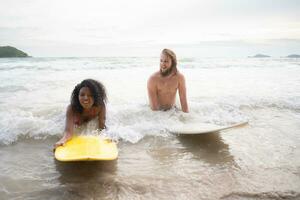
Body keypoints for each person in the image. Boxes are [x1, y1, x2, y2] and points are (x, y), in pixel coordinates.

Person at [54, 79, 107, 149]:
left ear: (95, 97)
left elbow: (102, 127)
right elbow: (68, 132)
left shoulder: (100, 106)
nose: (85, 98)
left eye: (90, 95)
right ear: (77, 96)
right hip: (64, 118)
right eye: (82, 95)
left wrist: (107, 137)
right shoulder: (72, 109)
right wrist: (63, 140)